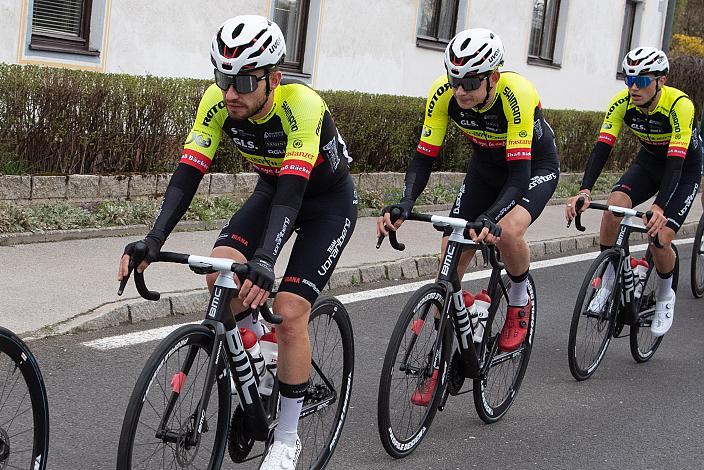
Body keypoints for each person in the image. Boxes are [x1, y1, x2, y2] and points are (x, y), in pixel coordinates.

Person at [117, 15, 357, 469]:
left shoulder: (303, 106)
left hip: (325, 203)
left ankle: (286, 439)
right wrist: (153, 238)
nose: (231, 92)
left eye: (244, 80)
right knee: (219, 273)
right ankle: (256, 358)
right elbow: (188, 174)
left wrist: (267, 259)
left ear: (274, 79)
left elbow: (294, 191)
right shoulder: (217, 102)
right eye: (223, 77)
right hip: (272, 190)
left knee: (288, 314)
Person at [377, 28, 559, 403]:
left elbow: (519, 176)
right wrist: (406, 202)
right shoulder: (443, 96)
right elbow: (425, 156)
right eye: (454, 80)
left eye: (471, 82)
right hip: (485, 170)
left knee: (507, 231)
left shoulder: (517, 94)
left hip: (531, 168)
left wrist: (491, 217)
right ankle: (442, 360)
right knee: (449, 255)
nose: (460, 90)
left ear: (493, 77)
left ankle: (519, 302)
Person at [565, 47, 702, 337]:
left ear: (660, 81)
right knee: (615, 207)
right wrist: (585, 191)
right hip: (650, 162)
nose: (633, 88)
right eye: (629, 80)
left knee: (659, 237)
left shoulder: (680, 105)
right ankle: (609, 280)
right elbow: (602, 148)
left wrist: (660, 207)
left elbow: (676, 164)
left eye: (641, 81)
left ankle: (665, 296)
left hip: (683, 167)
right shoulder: (621, 103)